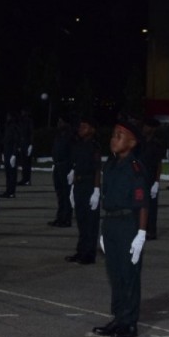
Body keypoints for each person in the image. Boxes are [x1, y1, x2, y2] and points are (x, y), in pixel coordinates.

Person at [93, 116, 149, 337]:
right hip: (111, 223)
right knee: (114, 274)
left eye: (120, 136)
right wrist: (104, 231)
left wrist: (141, 234)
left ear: (132, 143)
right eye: (114, 135)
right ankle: (118, 317)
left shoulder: (135, 168)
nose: (114, 139)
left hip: (128, 224)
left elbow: (143, 203)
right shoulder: (111, 163)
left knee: (129, 275)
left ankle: (129, 323)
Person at [67, 113, 102, 264]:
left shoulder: (94, 146)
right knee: (81, 220)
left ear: (92, 130)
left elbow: (97, 169)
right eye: (80, 126)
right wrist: (72, 188)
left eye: (85, 126)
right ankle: (81, 250)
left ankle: (89, 254)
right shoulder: (79, 145)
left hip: (89, 186)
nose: (81, 128)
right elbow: (76, 165)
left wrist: (96, 190)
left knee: (90, 222)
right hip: (79, 185)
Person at [48, 111, 74, 228]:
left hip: (66, 166)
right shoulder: (59, 134)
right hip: (58, 165)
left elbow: (72, 152)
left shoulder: (70, 135)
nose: (58, 123)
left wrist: (72, 168)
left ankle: (66, 219)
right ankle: (60, 217)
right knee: (60, 193)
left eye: (60, 121)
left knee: (66, 193)